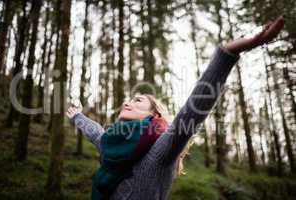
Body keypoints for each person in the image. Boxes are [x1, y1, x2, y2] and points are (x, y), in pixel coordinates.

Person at [66, 16, 285, 200]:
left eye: (138, 100)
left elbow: (194, 108)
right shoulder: (112, 143)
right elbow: (96, 133)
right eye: (129, 99)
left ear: (155, 114)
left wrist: (226, 54)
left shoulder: (160, 152)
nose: (127, 102)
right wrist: (77, 115)